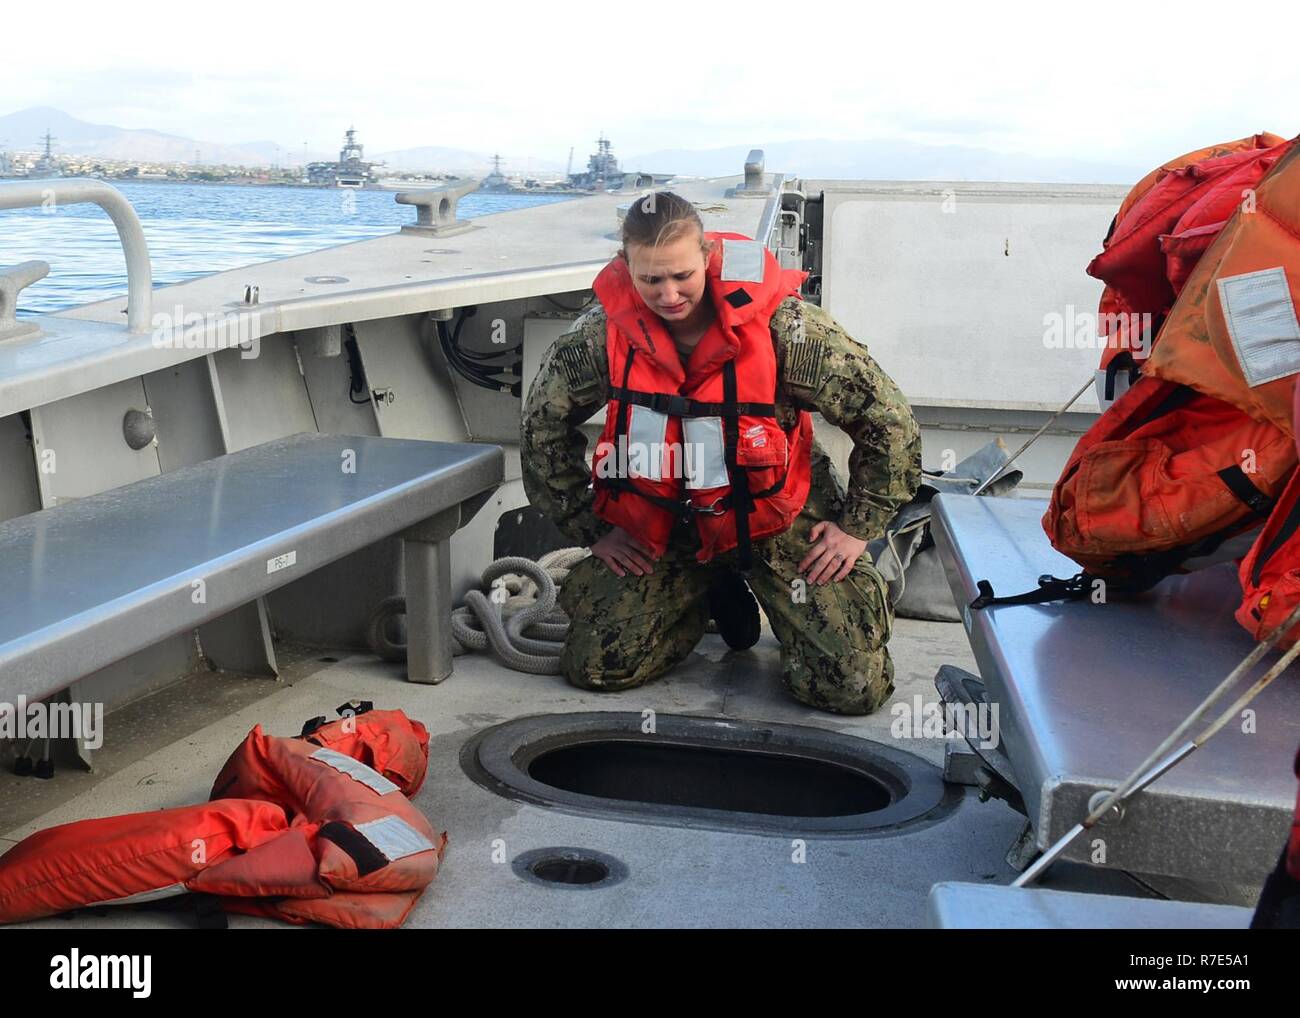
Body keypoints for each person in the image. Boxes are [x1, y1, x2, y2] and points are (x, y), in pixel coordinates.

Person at [520, 191, 920, 714]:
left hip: (775, 517)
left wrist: (858, 526)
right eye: (650, 279)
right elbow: (541, 428)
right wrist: (594, 530)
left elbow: (887, 421)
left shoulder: (786, 328)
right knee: (599, 667)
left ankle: (762, 586)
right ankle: (702, 591)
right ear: (626, 268)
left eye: (682, 275)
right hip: (666, 525)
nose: (668, 294)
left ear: (708, 256)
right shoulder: (600, 337)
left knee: (848, 689)